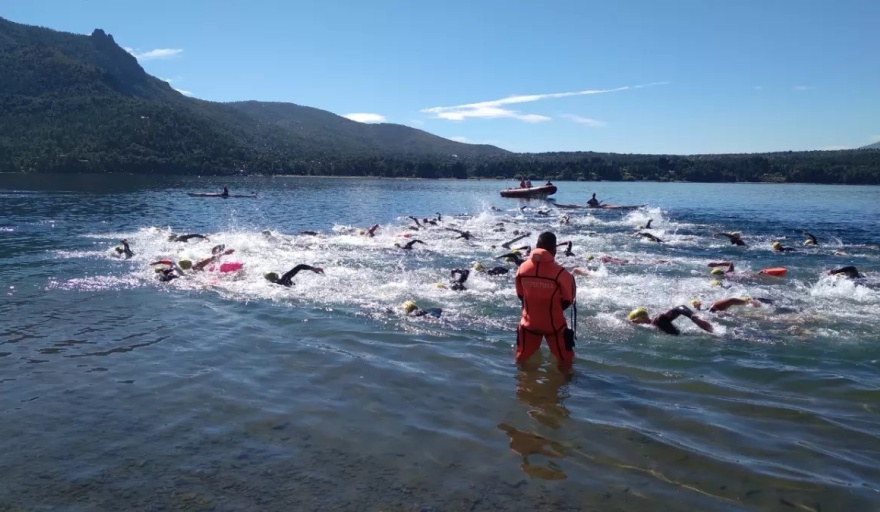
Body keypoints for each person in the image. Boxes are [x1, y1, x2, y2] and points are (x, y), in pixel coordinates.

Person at [514, 232, 577, 369]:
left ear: (536, 246)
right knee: (565, 364)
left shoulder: (521, 269)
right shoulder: (562, 273)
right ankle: (562, 388)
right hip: (554, 325)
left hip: (528, 324)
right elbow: (569, 300)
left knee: (522, 362)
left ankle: (524, 387)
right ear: (554, 249)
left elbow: (521, 296)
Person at [627, 305, 713, 335]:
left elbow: (680, 307)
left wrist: (695, 319)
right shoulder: (652, 325)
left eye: (634, 321)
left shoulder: (658, 320)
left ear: (642, 319)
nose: (633, 323)